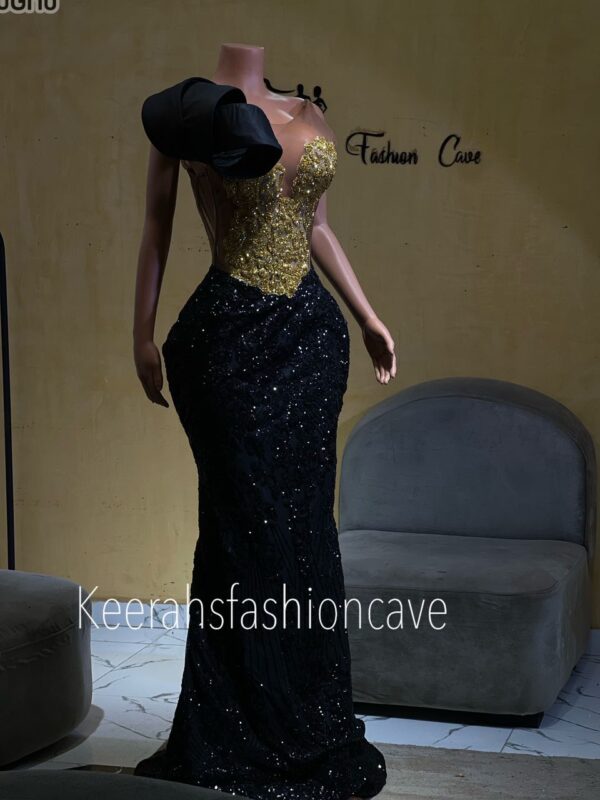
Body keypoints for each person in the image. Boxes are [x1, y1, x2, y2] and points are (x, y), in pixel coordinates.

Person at [132, 42, 396, 800]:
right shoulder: (185, 116)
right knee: (241, 529)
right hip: (225, 344)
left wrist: (368, 316)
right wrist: (141, 333)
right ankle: (238, 725)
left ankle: (307, 718)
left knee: (305, 530)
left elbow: (317, 227)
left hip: (310, 340)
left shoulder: (308, 113)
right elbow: (156, 227)